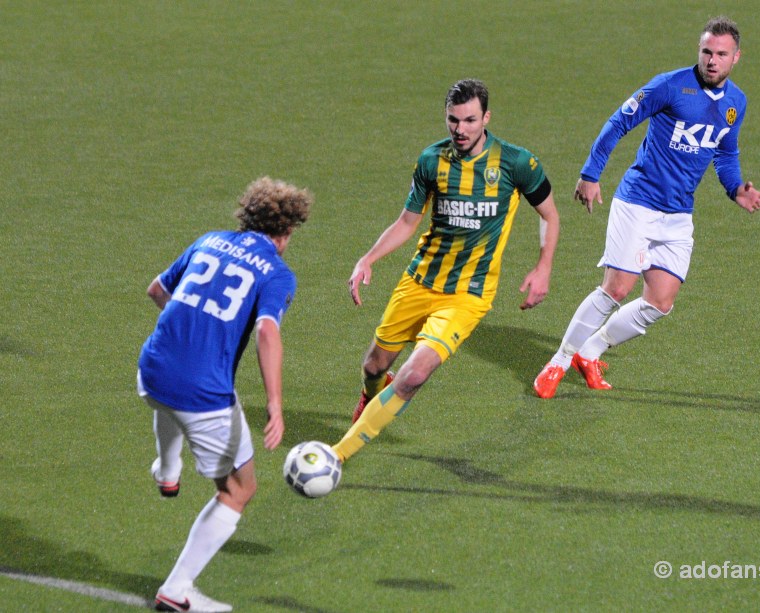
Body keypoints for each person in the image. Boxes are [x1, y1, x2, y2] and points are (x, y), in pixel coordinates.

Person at [533, 16, 760, 399]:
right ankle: (559, 360)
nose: (712, 60)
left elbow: (726, 152)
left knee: (660, 302)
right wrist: (590, 174)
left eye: (721, 54)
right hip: (638, 202)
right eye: (706, 51)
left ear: (735, 58)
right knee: (616, 288)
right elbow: (620, 121)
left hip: (678, 214)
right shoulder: (670, 86)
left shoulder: (735, 103)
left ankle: (591, 351)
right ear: (699, 50)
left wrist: (735, 189)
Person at [332, 78, 559, 463]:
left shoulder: (516, 163)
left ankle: (337, 455)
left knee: (415, 374)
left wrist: (543, 267)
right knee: (373, 366)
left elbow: (550, 215)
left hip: (468, 296)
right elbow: (407, 222)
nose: (460, 129)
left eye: (470, 120)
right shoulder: (431, 161)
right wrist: (367, 259)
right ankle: (372, 397)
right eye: (453, 120)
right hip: (419, 281)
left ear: (486, 117)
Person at [137, 177, 311, 612]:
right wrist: (274, 403)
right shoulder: (277, 273)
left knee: (168, 400)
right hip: (201, 393)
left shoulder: (209, 240)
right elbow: (266, 333)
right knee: (239, 489)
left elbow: (157, 290)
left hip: (151, 368)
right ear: (286, 231)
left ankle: (168, 468)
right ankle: (177, 589)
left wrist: (194, 327)